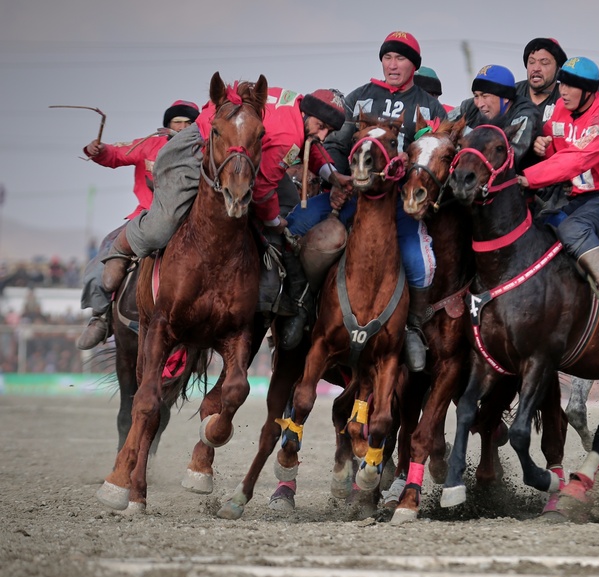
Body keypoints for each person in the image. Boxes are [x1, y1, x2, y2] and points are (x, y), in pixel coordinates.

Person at [99, 85, 350, 351]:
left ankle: (286, 299)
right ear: (307, 112)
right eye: (321, 126)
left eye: (329, 131)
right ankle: (123, 246)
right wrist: (274, 221)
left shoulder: (293, 102)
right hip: (202, 146)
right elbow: (263, 188)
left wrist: (332, 177)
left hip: (241, 156)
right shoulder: (287, 137)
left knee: (288, 215)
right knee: (167, 218)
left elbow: (310, 145)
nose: (323, 135)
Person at [315, 31, 448, 371]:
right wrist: (335, 178)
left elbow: (431, 154)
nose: (392, 65)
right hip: (354, 196)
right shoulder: (359, 97)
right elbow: (336, 144)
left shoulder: (429, 106)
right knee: (307, 234)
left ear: (413, 66)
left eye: (400, 59)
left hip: (399, 204)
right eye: (387, 58)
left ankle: (414, 328)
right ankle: (301, 308)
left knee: (419, 262)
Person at [517, 56, 599, 329]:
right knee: (540, 228)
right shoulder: (560, 108)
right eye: (562, 85)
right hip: (582, 197)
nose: (563, 92)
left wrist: (527, 178)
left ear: (589, 92)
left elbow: (575, 160)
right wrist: (543, 144)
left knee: (574, 228)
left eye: (570, 87)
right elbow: (558, 146)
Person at [75, 99, 200, 350]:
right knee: (107, 248)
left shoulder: (204, 150)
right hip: (145, 217)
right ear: (167, 124)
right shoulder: (148, 144)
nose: (184, 127)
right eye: (178, 122)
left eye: (190, 123)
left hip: (190, 221)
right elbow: (115, 154)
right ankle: (101, 316)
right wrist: (97, 150)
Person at [447, 64, 541, 171]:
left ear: (505, 97)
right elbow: (440, 130)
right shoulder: (468, 107)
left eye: (485, 96)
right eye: (476, 96)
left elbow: (508, 159)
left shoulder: (525, 115)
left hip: (516, 183)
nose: (479, 104)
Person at [515, 37, 567, 124]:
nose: (536, 68)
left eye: (544, 62)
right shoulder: (512, 93)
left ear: (558, 68)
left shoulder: (566, 97)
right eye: (531, 62)